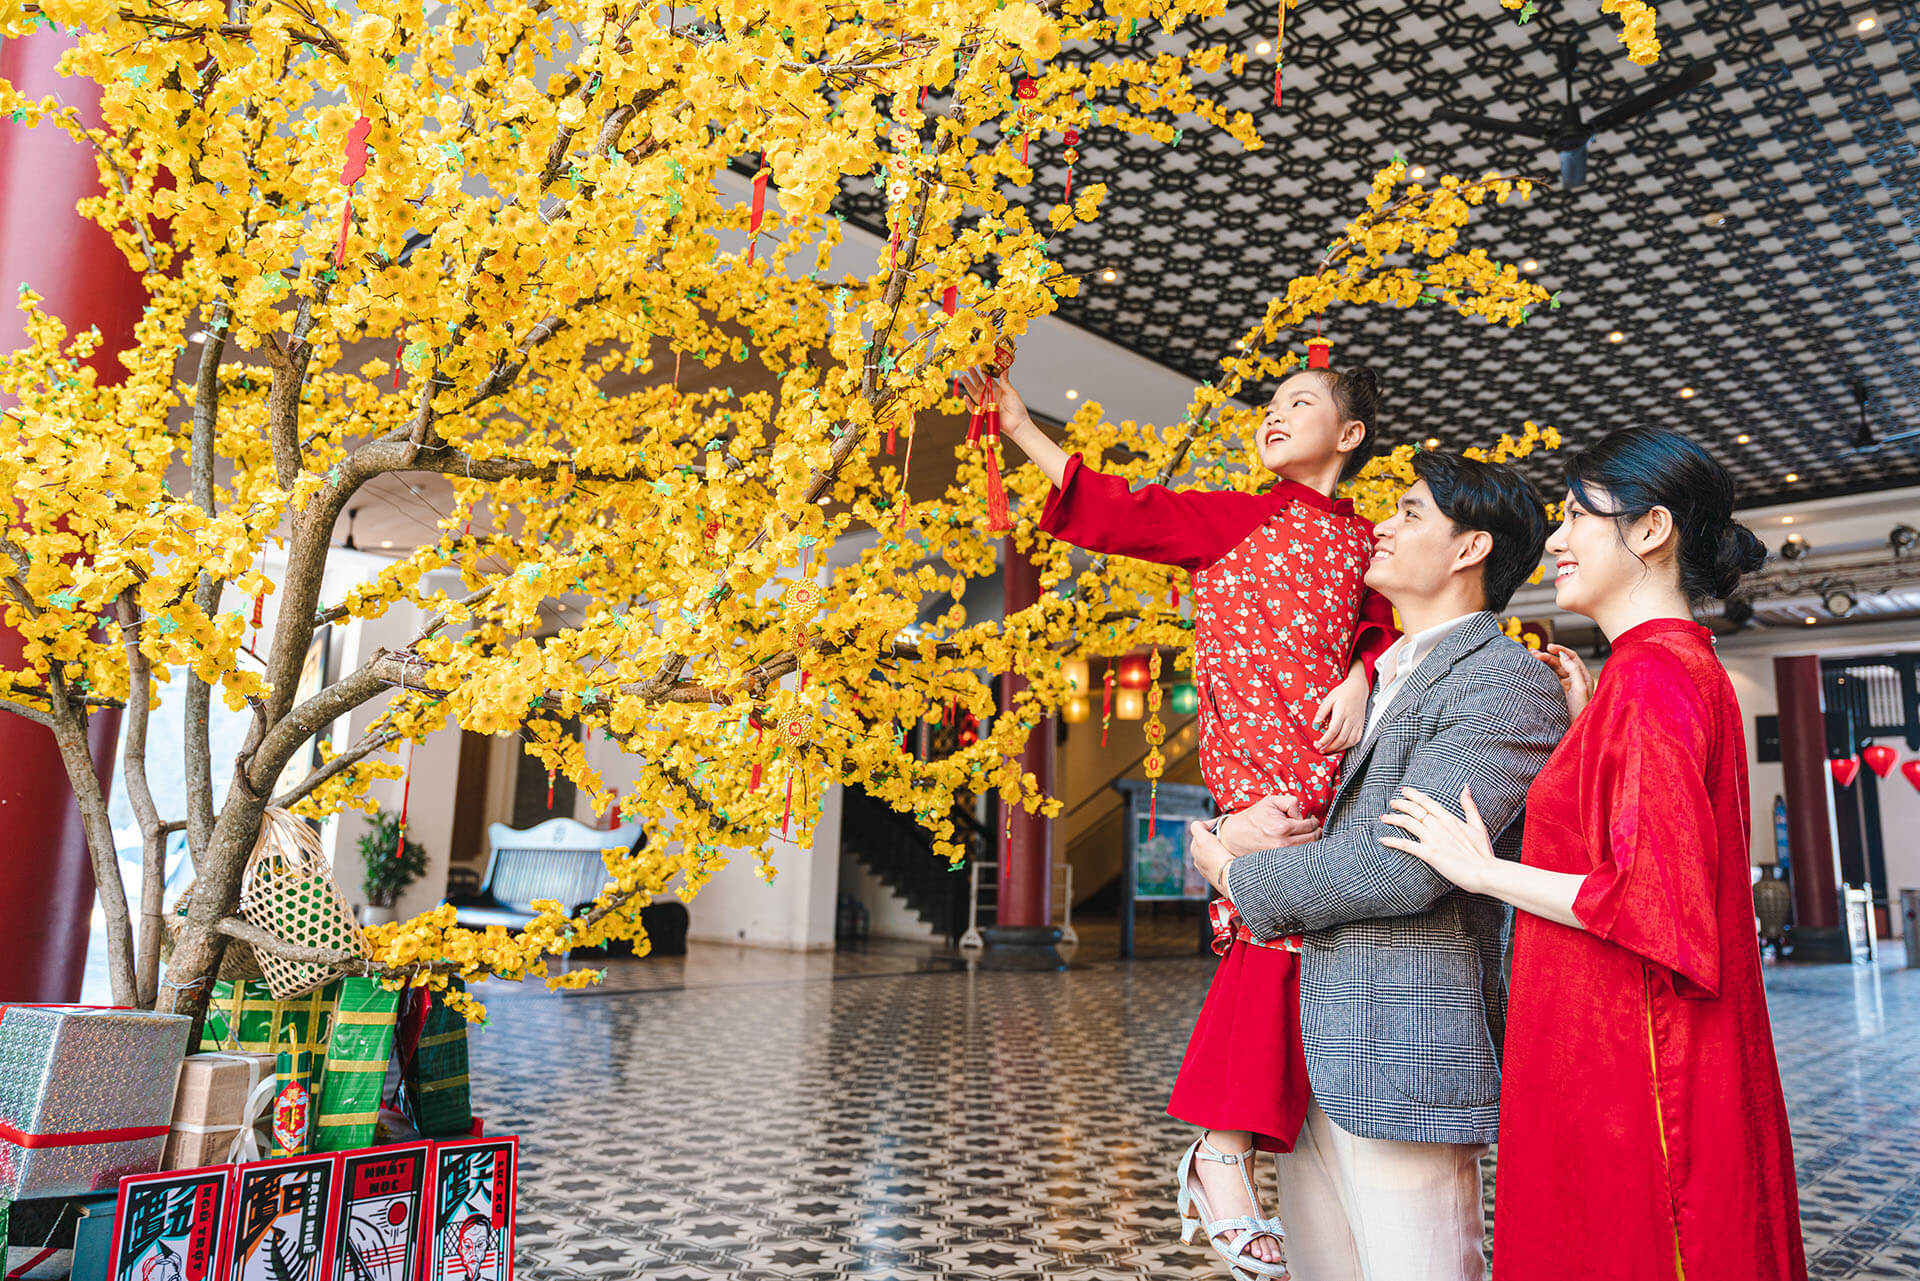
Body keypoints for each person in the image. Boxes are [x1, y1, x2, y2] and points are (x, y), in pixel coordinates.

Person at [963, 361, 1398, 1278]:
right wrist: (1021, 429)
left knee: (1299, 950)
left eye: (1301, 405)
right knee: (1273, 940)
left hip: (1341, 780)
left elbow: (1385, 620)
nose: (1274, 417)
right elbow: (1123, 509)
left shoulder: (1369, 540)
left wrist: (1361, 669)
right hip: (1262, 785)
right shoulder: (1235, 518)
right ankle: (1222, 1152)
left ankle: (1235, 1154)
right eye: (1270, 406)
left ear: (1350, 436)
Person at [1378, 427, 1806, 1281]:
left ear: (1650, 531)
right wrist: (1588, 729)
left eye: (1577, 516)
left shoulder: (1651, 681)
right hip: (1644, 1047)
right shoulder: (1669, 671)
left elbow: (1655, 901)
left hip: (1633, 1063)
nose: (1558, 540)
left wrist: (1483, 870)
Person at [1186, 450, 1567, 1281]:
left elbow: (1403, 868)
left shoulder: (1501, 682)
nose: (1381, 527)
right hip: (1310, 1041)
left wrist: (1231, 875)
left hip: (1402, 1058)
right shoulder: (1371, 676)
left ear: (1471, 549)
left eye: (1410, 512)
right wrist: (1237, 825)